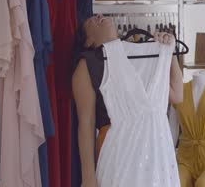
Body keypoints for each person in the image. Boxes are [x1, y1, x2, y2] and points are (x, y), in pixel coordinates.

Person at [72, 15, 183, 187]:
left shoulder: (148, 54)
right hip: (120, 156)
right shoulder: (88, 64)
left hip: (159, 159)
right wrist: (88, 178)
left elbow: (177, 95)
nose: (99, 17)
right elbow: (86, 123)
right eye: (91, 21)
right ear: (88, 41)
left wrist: (170, 51)